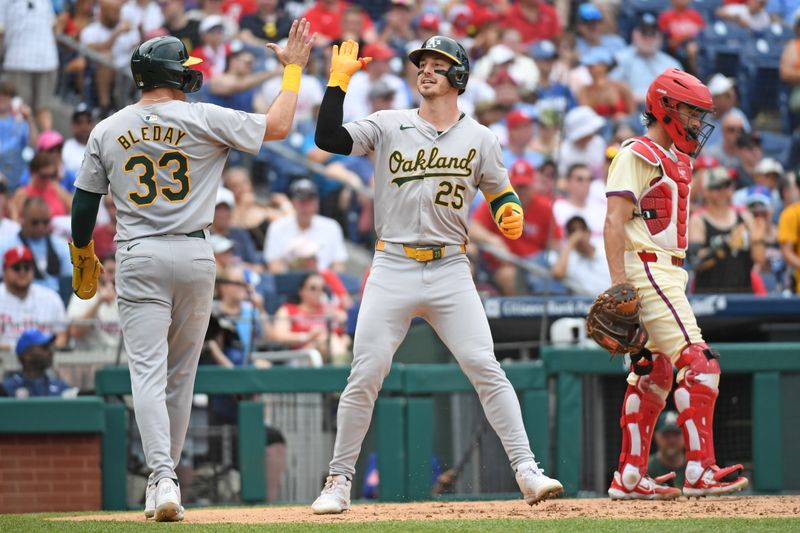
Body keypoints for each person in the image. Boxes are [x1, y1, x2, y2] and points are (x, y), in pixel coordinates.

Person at [68, 24, 315, 522]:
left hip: (139, 255)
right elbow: (280, 126)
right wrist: (293, 69)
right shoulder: (204, 117)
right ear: (169, 72)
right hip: (197, 253)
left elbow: (84, 200)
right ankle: (166, 478)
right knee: (181, 376)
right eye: (185, 67)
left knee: (148, 373)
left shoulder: (108, 127)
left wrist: (81, 252)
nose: (191, 74)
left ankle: (162, 478)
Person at [310, 36, 563, 514]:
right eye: (421, 64)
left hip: (450, 267)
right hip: (392, 263)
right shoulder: (388, 124)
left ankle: (527, 471)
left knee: (486, 367)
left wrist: (509, 209)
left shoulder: (481, 138)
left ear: (460, 78)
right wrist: (337, 84)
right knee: (364, 373)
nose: (425, 70)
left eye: (438, 64)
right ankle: (339, 481)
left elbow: (500, 190)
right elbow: (328, 139)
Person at [602, 68, 748, 499]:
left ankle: (630, 477)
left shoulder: (678, 159)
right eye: (690, 111)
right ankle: (700, 470)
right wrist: (617, 286)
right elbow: (613, 221)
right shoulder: (637, 152)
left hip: (666, 269)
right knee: (700, 363)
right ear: (666, 107)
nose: (697, 123)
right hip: (646, 268)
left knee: (655, 372)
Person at [688, 167, 765, 293]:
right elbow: (696, 261)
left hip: (742, 293)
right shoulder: (698, 220)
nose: (723, 191)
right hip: (709, 297)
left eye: (727, 185)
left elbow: (759, 259)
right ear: (706, 191)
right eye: (717, 187)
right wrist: (727, 243)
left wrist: (758, 240)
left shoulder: (745, 216)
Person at [264, 178, 348, 273]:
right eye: (302, 202)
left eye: (309, 201)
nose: (306, 207)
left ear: (316, 203)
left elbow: (339, 265)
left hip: (323, 282)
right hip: (288, 282)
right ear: (293, 203)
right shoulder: (277, 227)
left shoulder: (332, 227)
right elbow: (274, 266)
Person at [0, 0, 59, 131]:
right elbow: (54, 29)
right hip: (48, 58)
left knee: (19, 108)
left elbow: (0, 34)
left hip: (17, 59)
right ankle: (48, 147)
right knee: (43, 110)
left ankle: (27, 148)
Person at [271, 271, 351, 364]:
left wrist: (344, 331)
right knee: (324, 338)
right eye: (313, 288)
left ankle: (340, 366)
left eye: (323, 289)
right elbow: (278, 335)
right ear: (301, 291)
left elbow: (344, 336)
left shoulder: (330, 312)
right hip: (299, 356)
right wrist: (307, 336)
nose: (318, 292)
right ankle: (342, 370)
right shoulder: (288, 310)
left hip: (329, 353)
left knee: (330, 339)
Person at [0, 246, 68, 350]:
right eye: (16, 267)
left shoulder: (50, 298)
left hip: (42, 362)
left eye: (27, 267)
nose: (22, 272)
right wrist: (19, 349)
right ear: (4, 271)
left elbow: (62, 335)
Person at [0, 197, 72, 294]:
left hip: (55, 299)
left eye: (45, 222)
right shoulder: (5, 245)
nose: (40, 227)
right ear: (22, 217)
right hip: (17, 296)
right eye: (35, 222)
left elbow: (68, 281)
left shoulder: (61, 245)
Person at [0, 329, 77, 398]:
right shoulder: (6, 389)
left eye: (50, 347)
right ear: (26, 355)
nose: (51, 352)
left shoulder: (60, 387)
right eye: (44, 348)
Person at [549, 215, 610, 296]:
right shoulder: (569, 257)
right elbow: (558, 273)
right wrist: (570, 243)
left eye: (582, 229)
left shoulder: (605, 250)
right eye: (572, 231)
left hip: (611, 301)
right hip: (586, 304)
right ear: (568, 236)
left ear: (588, 232)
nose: (578, 234)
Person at [647, 411, 686, 488]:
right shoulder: (645, 468)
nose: (672, 440)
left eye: (676, 434)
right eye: (666, 434)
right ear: (656, 436)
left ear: (685, 436)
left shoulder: (696, 468)